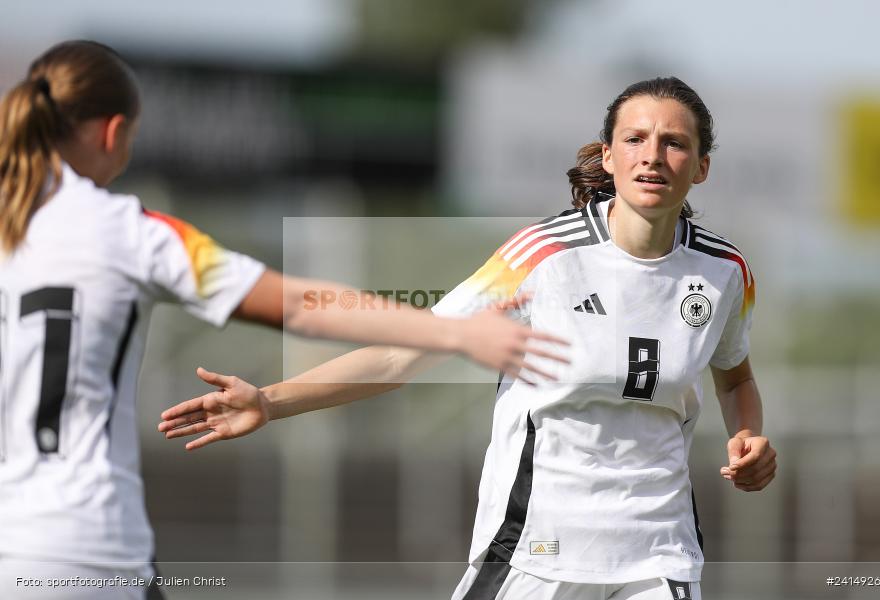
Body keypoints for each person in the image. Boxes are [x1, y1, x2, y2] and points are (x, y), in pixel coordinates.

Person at [159, 77, 778, 600]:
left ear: (701, 167)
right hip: (539, 548)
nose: (653, 156)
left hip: (659, 557)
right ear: (609, 156)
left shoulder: (725, 273)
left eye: (674, 143)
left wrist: (747, 434)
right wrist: (270, 401)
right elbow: (404, 352)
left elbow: (736, 377)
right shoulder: (542, 255)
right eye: (635, 139)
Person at [0, 40, 568, 600]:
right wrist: (455, 331)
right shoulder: (132, 232)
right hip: (84, 546)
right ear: (114, 132)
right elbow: (299, 304)